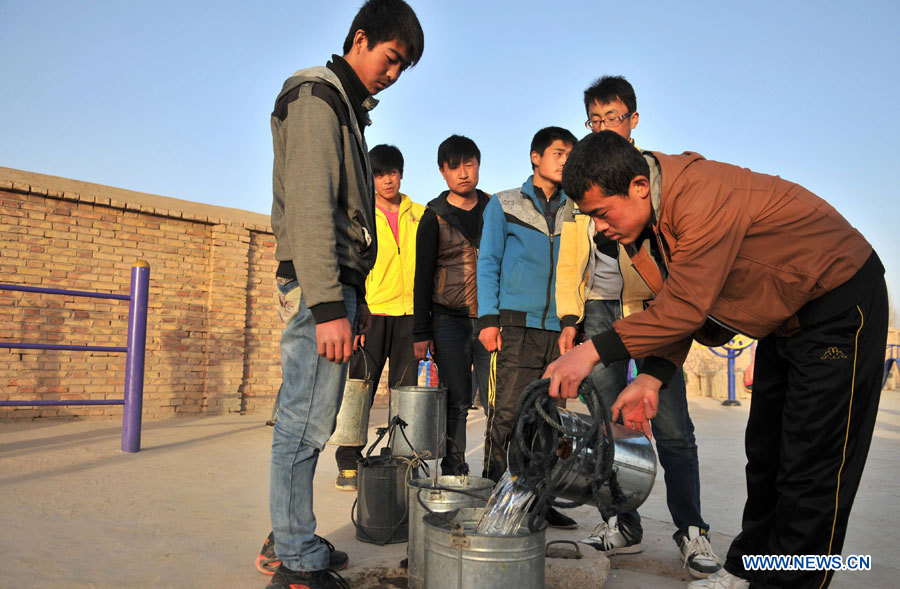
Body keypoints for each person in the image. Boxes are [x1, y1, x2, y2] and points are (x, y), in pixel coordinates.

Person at [545, 130, 887, 589]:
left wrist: (591, 351)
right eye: (590, 218)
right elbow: (683, 308)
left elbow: (684, 306)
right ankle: (749, 571)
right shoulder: (645, 230)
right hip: (783, 320)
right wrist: (652, 380)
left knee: (812, 465)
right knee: (766, 457)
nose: (599, 228)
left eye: (602, 213)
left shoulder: (702, 197)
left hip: (838, 304)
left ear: (639, 187)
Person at [267, 1, 423, 587]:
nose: (393, 73)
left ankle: (289, 534)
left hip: (335, 287)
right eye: (391, 57)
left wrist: (347, 301)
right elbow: (310, 207)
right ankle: (294, 560)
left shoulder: (346, 110)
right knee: (305, 421)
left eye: (403, 67)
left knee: (312, 413)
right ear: (360, 38)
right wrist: (330, 306)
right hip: (319, 287)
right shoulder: (317, 96)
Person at [555, 76, 720, 579]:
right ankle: (620, 523)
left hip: (654, 307)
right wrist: (569, 317)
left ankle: (691, 530)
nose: (605, 126)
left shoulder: (656, 177)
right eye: (596, 120)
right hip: (600, 308)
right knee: (606, 424)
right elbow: (567, 262)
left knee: (670, 424)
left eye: (614, 117)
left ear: (634, 120)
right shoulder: (579, 184)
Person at [477, 126, 579, 529]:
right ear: (535, 157)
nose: (565, 160)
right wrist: (489, 319)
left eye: (571, 154)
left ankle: (539, 500)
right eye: (558, 152)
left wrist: (573, 322)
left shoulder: (579, 208)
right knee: (508, 413)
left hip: (561, 330)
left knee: (551, 419)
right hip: (515, 326)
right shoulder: (504, 204)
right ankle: (491, 493)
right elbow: (488, 262)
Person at [333, 144, 424, 491]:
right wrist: (354, 312)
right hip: (371, 313)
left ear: (402, 173)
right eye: (379, 174)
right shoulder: (359, 215)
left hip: (410, 315)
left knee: (406, 391)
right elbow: (350, 266)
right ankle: (348, 460)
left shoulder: (420, 214)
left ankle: (401, 457)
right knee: (360, 387)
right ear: (370, 178)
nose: (388, 180)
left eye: (393, 172)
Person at [413, 134, 491, 475]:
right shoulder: (434, 216)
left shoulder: (495, 210)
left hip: (490, 320)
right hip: (448, 320)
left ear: (478, 165)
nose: (463, 173)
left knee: (495, 400)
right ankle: (454, 466)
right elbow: (422, 276)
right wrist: (421, 330)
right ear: (442, 171)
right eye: (454, 167)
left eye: (469, 165)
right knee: (457, 400)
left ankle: (498, 469)